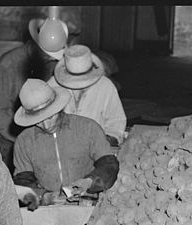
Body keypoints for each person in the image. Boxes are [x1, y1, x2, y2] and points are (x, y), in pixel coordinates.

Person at [12, 78, 120, 209]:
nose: (46, 125)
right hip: (48, 209)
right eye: (38, 121)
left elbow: (109, 164)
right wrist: (43, 197)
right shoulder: (24, 141)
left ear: (58, 108)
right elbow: (22, 184)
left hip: (89, 202)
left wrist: (89, 182)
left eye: (50, 117)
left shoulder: (88, 128)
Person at [0, 16, 70, 168]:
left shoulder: (53, 62)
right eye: (49, 56)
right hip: (9, 141)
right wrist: (26, 139)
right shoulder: (9, 64)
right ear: (37, 46)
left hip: (41, 137)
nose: (53, 60)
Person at [48, 44, 127, 147]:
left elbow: (116, 122)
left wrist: (105, 141)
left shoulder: (105, 86)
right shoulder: (52, 86)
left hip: (96, 147)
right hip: (60, 147)